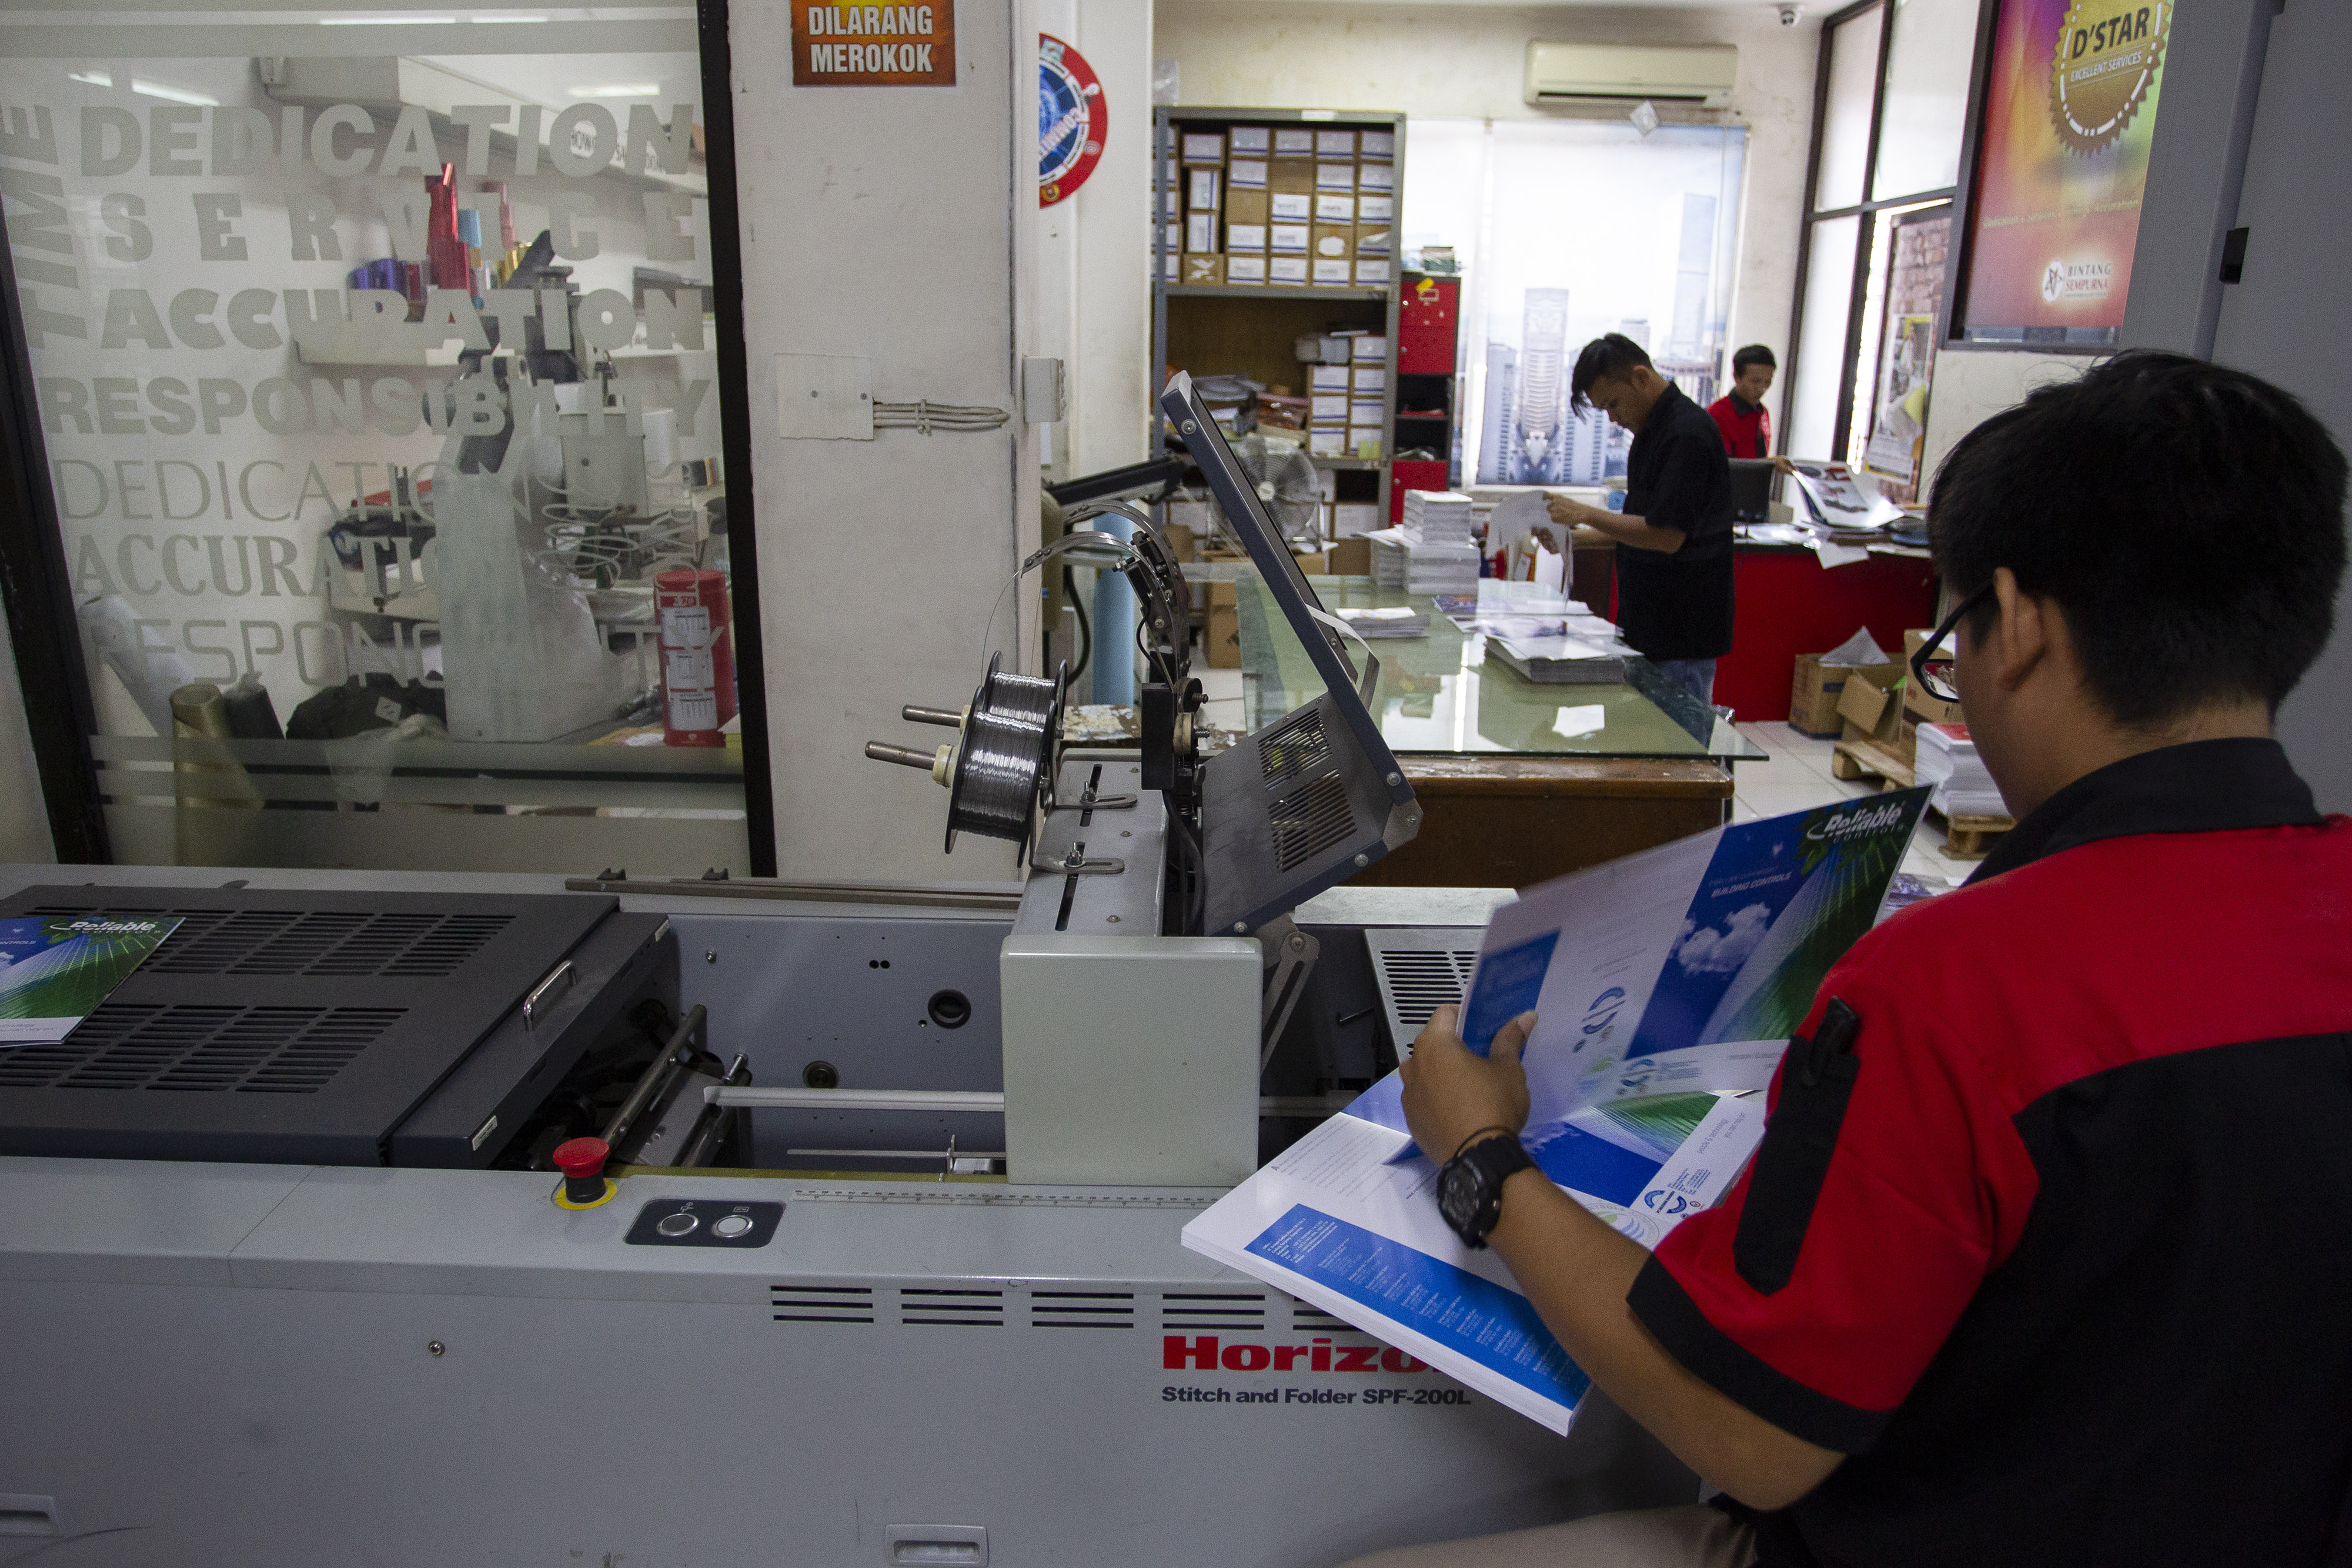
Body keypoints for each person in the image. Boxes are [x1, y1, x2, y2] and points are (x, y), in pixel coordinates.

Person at [1361, 351, 2352, 1568]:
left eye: (1950, 635)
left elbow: (1744, 1432)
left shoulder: (1955, 987)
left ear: (2020, 625)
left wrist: (1478, 1155)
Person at [1545, 335, 1735, 709]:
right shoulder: (1651, 434)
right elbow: (1638, 528)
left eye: (1613, 404)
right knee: (1642, 745)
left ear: (1641, 378)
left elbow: (1666, 537)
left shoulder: (1687, 434)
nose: (1614, 418)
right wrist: (1573, 539)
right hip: (1648, 624)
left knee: (1676, 752)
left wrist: (1584, 512)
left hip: (1682, 633)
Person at [1707, 345, 1780, 460]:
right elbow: (1724, 466)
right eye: (1756, 382)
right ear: (1737, 377)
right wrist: (1770, 464)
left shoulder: (1762, 412)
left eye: (1768, 382)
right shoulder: (1717, 414)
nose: (1762, 388)